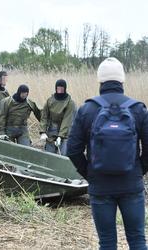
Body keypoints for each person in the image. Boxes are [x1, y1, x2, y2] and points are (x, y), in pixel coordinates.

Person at [67, 57, 148, 249]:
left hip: (100, 186)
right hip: (131, 184)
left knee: (107, 241)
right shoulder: (138, 109)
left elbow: (72, 150)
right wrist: (139, 170)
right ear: (122, 80)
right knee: (137, 239)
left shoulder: (87, 109)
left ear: (100, 81)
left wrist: (90, 173)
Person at [39, 79, 76, 155]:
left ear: (65, 89)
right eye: (58, 88)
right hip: (52, 129)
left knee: (64, 154)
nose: (59, 91)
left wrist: (60, 136)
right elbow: (44, 116)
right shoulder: (50, 101)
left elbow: (67, 120)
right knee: (48, 154)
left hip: (65, 132)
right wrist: (43, 131)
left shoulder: (70, 103)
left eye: (61, 89)